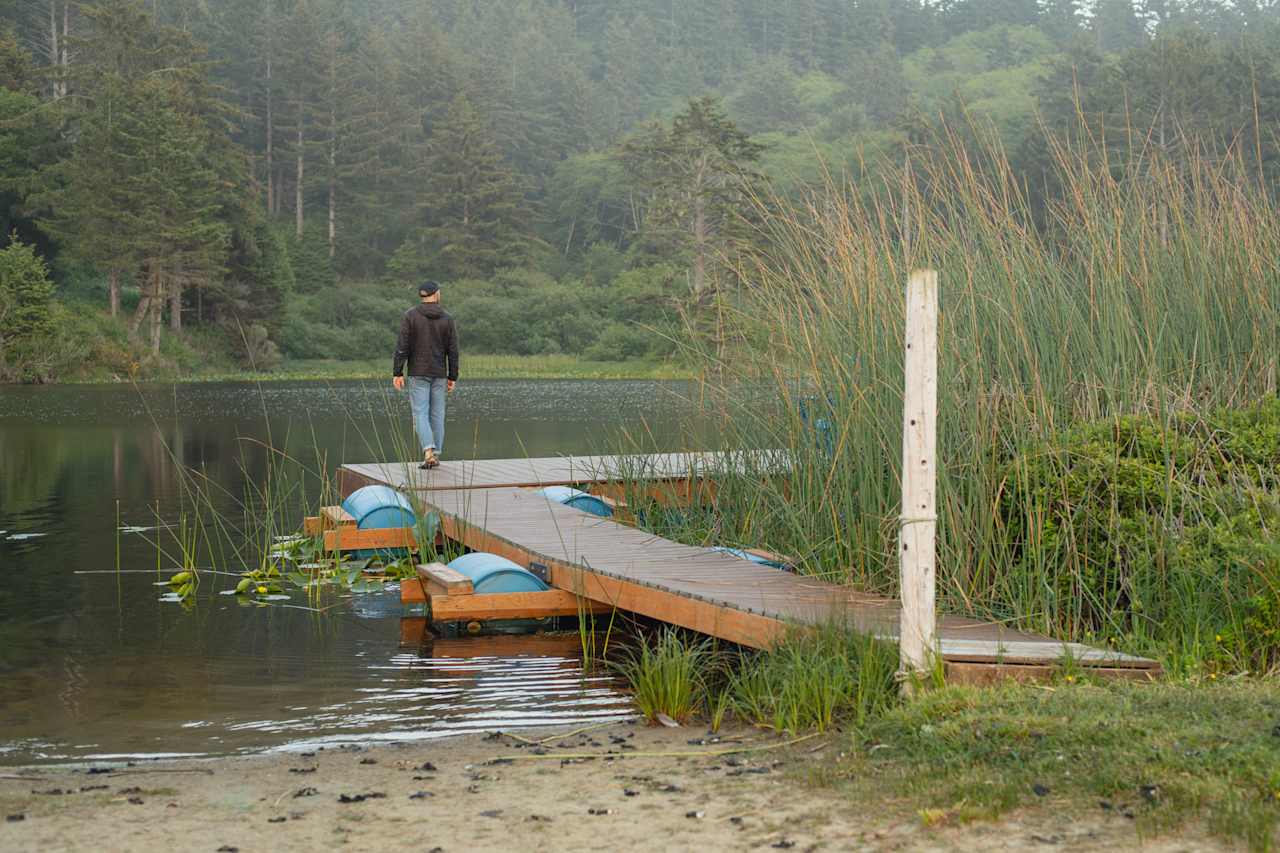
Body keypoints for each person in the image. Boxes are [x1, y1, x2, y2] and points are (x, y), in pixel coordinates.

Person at [392, 280, 459, 469]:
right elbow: (453, 350)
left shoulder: (410, 316)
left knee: (420, 413)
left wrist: (397, 372)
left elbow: (402, 346)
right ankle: (435, 454)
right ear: (436, 294)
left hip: (417, 372)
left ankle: (428, 451)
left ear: (421, 295)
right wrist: (453, 376)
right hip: (439, 373)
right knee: (437, 414)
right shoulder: (447, 318)